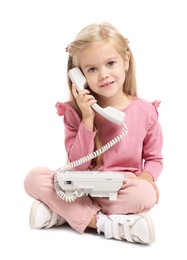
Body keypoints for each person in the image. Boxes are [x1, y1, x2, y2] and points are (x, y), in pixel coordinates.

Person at [24, 22, 163, 245]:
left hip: (120, 189)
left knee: (145, 195)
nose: (103, 75)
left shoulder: (146, 111)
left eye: (110, 63)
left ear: (126, 61)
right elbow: (77, 165)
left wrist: (146, 179)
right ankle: (106, 224)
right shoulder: (75, 112)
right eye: (92, 69)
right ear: (78, 76)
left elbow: (155, 159)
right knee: (34, 178)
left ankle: (64, 213)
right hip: (81, 185)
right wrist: (87, 119)